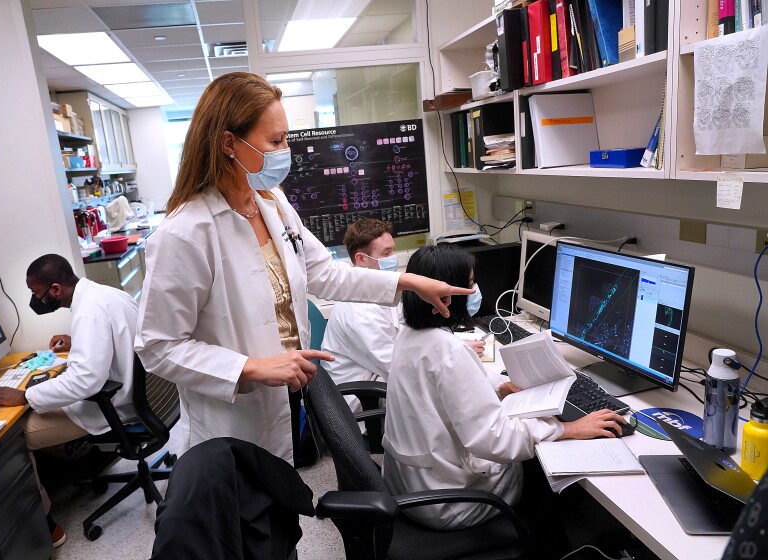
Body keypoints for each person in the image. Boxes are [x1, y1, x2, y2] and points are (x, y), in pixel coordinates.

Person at [134, 72, 471, 465]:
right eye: (275, 141)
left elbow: (326, 274)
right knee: (248, 513)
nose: (285, 151)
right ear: (229, 143)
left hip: (290, 393)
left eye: (285, 139)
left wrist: (406, 281)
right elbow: (157, 346)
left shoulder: (272, 203)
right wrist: (251, 368)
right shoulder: (186, 233)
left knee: (282, 505)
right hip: (232, 414)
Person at [381, 245, 626, 552]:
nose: (474, 290)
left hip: (411, 484)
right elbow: (493, 440)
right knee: (538, 465)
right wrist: (568, 430)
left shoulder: (411, 333)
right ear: (443, 295)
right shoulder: (448, 351)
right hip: (447, 502)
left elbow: (445, 387)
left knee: (532, 443)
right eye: (469, 283)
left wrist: (501, 387)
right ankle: (552, 547)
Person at [0, 254, 138, 548]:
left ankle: (45, 524)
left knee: (17, 436)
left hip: (110, 405)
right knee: (45, 401)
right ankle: (83, 465)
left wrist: (25, 396)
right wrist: (77, 342)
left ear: (55, 289)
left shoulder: (88, 312)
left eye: (36, 293)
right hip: (130, 394)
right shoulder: (103, 294)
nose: (36, 299)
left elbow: (85, 381)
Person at [322, 219, 486, 417]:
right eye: (386, 253)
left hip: (379, 378)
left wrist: (455, 345)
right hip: (363, 403)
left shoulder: (377, 292)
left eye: (393, 250)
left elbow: (406, 330)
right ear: (361, 259)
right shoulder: (357, 311)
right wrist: (454, 353)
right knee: (453, 395)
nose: (393, 258)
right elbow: (396, 365)